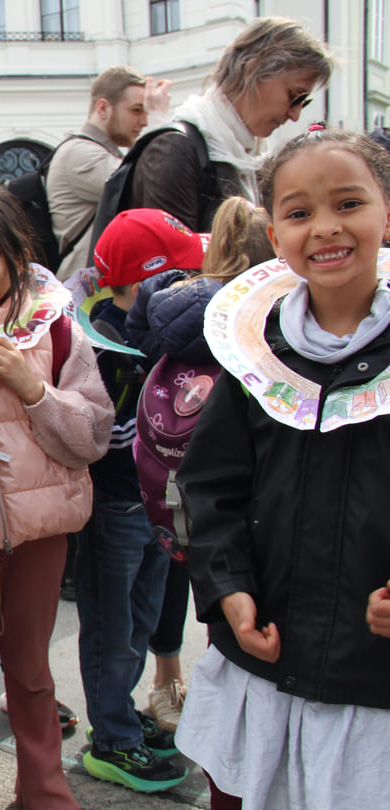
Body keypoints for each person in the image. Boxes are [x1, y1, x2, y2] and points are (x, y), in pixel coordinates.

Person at [174, 129, 390, 810]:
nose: (325, 227)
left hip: (372, 679)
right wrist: (228, 587)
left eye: (349, 202)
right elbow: (211, 487)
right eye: (299, 213)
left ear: (387, 211)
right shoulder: (255, 356)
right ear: (275, 231)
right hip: (264, 658)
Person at [0, 185, 113, 810]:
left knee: (32, 673)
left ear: (17, 252)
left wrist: (32, 386)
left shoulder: (57, 326)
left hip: (40, 535)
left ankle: (45, 795)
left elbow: (93, 434)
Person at [124, 196, 275, 733]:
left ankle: (170, 684)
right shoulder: (263, 310)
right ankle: (226, 709)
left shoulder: (171, 301)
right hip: (246, 483)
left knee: (173, 580)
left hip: (171, 482)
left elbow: (139, 334)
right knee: (240, 601)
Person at [75, 208, 205, 793]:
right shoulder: (105, 344)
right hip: (116, 508)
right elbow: (106, 434)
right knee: (112, 626)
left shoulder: (165, 331)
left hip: (155, 508)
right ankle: (112, 741)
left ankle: (124, 717)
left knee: (143, 619)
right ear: (139, 283)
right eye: (181, 276)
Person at [127, 17, 333, 231]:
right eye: (294, 96)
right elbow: (172, 262)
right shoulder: (175, 149)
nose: (295, 115)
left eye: (303, 102)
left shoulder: (250, 156)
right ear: (252, 70)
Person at [47, 66, 171, 279]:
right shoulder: (79, 153)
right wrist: (159, 122)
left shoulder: (97, 153)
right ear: (103, 108)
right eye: (136, 110)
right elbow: (148, 183)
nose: (144, 121)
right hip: (86, 300)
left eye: (147, 113)